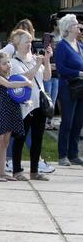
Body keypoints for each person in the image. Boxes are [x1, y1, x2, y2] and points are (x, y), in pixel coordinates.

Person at [9, 29, 52, 181]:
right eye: (26, 42)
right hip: (25, 105)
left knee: (38, 138)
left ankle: (34, 171)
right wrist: (37, 64)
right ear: (17, 44)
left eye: (30, 41)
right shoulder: (14, 62)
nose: (29, 44)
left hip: (39, 103)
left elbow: (46, 77)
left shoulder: (34, 58)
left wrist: (46, 61)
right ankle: (17, 170)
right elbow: (24, 78)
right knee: (20, 137)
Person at [0, 52, 30, 181]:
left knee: (6, 142)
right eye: (4, 63)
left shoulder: (11, 77)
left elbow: (16, 93)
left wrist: (25, 98)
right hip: (2, 111)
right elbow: (10, 86)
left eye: (8, 62)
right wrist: (26, 83)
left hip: (13, 110)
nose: (8, 65)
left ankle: (2, 172)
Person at [53, 14, 83, 167]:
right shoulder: (61, 46)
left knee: (78, 122)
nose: (79, 26)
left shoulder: (80, 45)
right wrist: (78, 73)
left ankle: (74, 154)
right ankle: (63, 155)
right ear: (70, 28)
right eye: (77, 24)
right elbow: (60, 68)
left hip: (81, 88)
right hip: (68, 88)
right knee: (67, 123)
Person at [43, 15, 61, 131]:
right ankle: (44, 122)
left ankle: (50, 122)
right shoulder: (48, 37)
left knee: (53, 99)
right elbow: (45, 53)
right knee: (47, 97)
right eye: (59, 24)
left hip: (58, 72)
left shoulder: (63, 37)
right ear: (54, 25)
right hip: (49, 70)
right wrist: (48, 64)